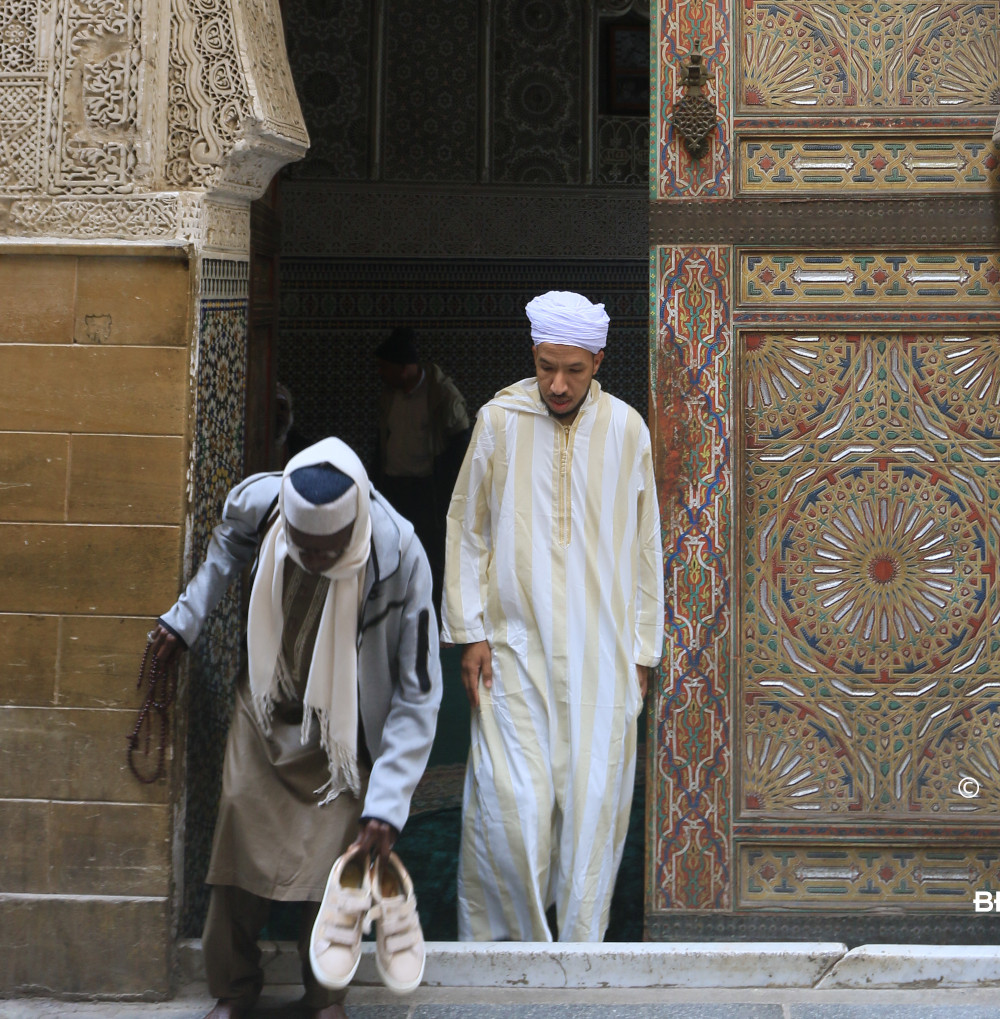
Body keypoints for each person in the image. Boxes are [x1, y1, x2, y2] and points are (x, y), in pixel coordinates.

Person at [150, 436, 440, 1019]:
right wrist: (184, 621)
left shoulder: (399, 555)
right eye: (301, 547)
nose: (311, 558)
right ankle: (234, 988)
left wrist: (386, 802)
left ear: (353, 528)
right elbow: (225, 548)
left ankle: (324, 998)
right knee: (236, 832)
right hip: (264, 707)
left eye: (326, 550)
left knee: (336, 859)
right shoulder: (262, 505)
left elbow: (417, 692)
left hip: (343, 733)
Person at [443, 290, 663, 943]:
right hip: (512, 646)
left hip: (602, 655)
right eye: (545, 366)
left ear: (598, 359)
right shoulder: (498, 420)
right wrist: (471, 631)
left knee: (594, 809)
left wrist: (641, 649)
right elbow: (467, 528)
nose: (557, 383)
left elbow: (646, 544)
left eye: (573, 369)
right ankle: (506, 951)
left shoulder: (626, 428)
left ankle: (578, 955)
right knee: (512, 804)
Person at [375, 326, 470, 609]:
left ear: (404, 368)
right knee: (393, 551)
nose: (380, 373)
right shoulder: (389, 395)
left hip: (427, 492)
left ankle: (433, 618)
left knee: (430, 555)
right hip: (394, 487)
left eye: (385, 367)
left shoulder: (441, 396)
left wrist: (447, 492)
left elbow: (460, 443)